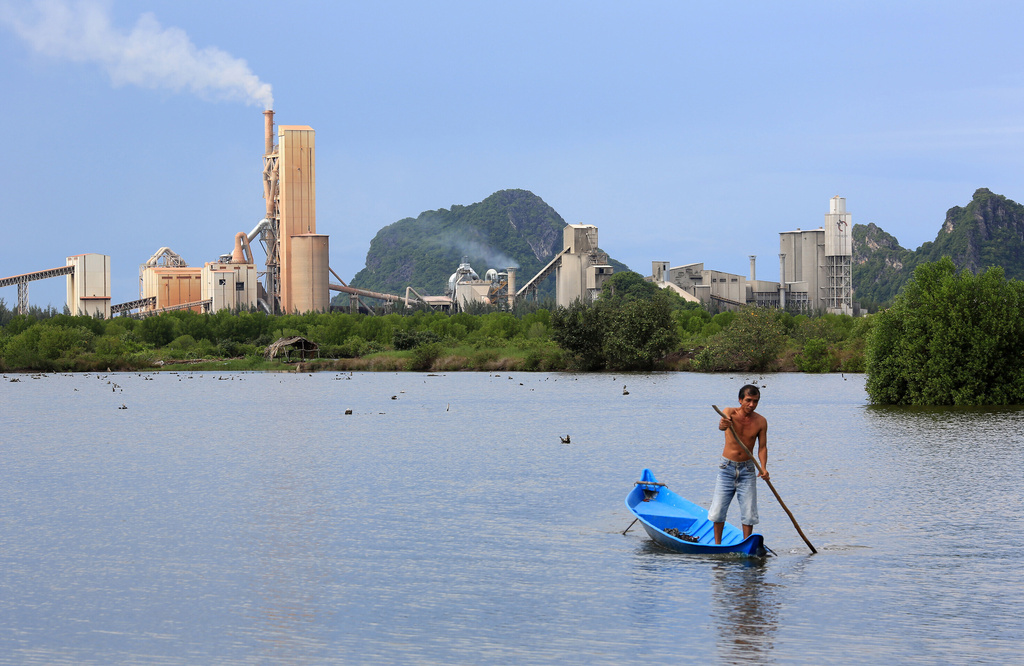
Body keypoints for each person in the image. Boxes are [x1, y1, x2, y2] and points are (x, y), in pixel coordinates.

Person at [709, 384, 769, 544]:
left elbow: (762, 447)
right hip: (726, 468)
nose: (751, 404)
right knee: (718, 511)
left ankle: (746, 543)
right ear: (740, 400)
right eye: (748, 400)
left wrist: (763, 468)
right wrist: (723, 424)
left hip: (748, 469)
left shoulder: (761, 421)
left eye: (755, 401)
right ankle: (717, 544)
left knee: (749, 513)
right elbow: (722, 424)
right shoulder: (730, 412)